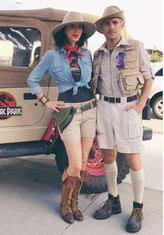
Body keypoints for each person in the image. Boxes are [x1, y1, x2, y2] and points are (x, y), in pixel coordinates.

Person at [27, 12, 96, 224]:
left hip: (90, 110)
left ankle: (75, 203)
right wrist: (46, 101)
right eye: (71, 26)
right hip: (68, 113)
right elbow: (33, 79)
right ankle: (64, 203)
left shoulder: (87, 54)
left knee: (84, 164)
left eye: (79, 27)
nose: (76, 30)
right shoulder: (52, 55)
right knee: (74, 164)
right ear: (64, 31)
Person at [91, 5, 154, 233]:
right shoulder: (98, 53)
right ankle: (113, 200)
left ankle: (138, 208)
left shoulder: (135, 47)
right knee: (108, 155)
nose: (111, 27)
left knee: (132, 158)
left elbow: (149, 79)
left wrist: (139, 105)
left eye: (115, 22)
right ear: (102, 28)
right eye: (107, 23)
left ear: (122, 24)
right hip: (104, 106)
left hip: (128, 108)